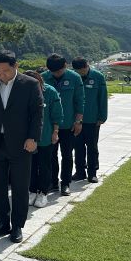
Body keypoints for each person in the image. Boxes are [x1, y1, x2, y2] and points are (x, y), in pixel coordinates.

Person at [0, 50, 43, 243]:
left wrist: (32, 138)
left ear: (16, 66)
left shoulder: (30, 84)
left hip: (21, 143)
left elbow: (37, 114)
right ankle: (2, 222)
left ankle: (17, 226)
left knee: (20, 186)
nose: (1, 75)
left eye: (5, 71)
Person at [42, 54, 85, 196]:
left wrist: (78, 121)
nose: (56, 74)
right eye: (53, 72)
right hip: (49, 126)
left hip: (68, 125)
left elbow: (80, 100)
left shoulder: (74, 78)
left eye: (59, 71)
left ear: (65, 66)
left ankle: (65, 183)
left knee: (67, 155)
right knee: (50, 155)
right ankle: (52, 182)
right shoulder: (43, 78)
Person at [23, 70, 63, 208]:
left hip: (45, 135)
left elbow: (57, 114)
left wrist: (55, 132)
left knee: (45, 165)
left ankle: (43, 193)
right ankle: (32, 191)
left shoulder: (50, 92)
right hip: (27, 137)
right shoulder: (22, 91)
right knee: (30, 166)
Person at [71, 57, 107, 183]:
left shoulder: (98, 76)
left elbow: (102, 97)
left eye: (83, 70)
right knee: (78, 147)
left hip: (92, 119)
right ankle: (80, 171)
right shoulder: (72, 77)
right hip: (76, 120)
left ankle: (92, 172)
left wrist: (102, 116)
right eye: (78, 71)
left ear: (87, 66)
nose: (81, 73)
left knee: (92, 147)